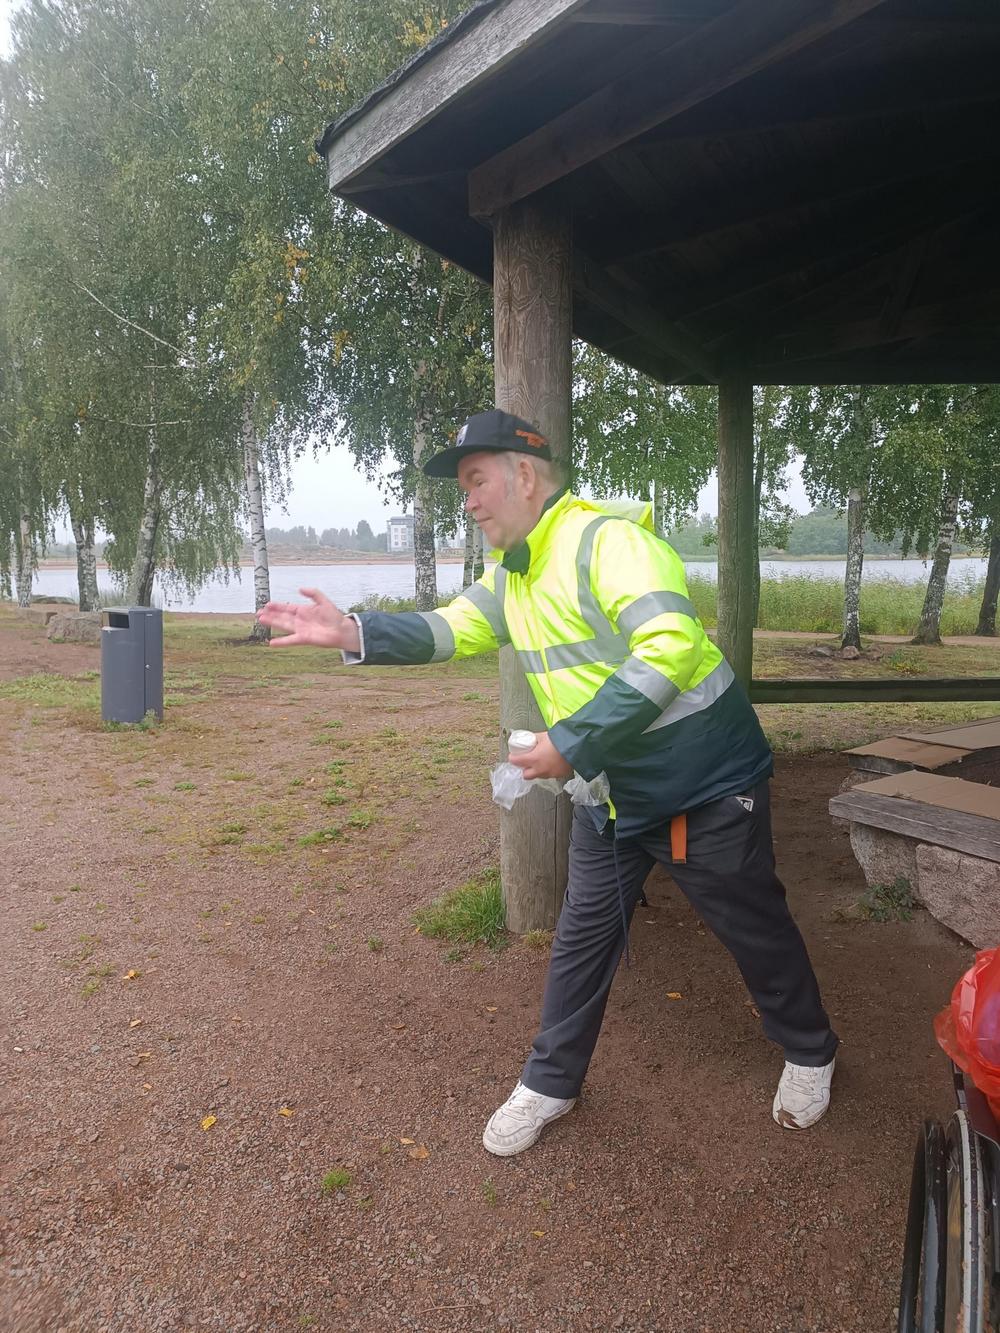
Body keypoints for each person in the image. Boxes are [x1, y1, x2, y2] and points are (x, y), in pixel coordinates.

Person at [258, 408, 838, 1157]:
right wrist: (354, 632)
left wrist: (573, 739)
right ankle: (551, 1080)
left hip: (702, 786)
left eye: (476, 482)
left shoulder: (610, 544)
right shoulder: (514, 572)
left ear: (525, 475)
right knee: (581, 938)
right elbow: (451, 627)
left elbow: (670, 646)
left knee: (751, 927)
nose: (469, 502)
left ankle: (811, 1049)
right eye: (464, 488)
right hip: (610, 794)